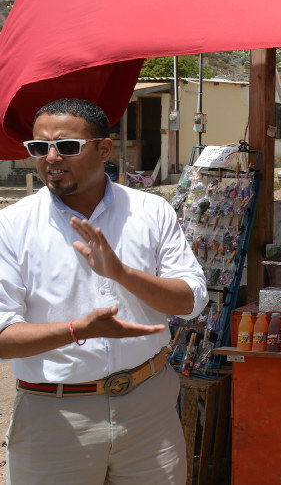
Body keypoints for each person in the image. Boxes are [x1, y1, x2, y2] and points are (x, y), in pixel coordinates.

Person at [0, 98, 209, 484]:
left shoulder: (150, 211)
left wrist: (123, 273)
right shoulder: (11, 227)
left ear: (104, 148)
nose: (50, 158)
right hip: (55, 417)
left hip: (148, 407)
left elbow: (191, 301)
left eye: (66, 146)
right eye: (38, 147)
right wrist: (77, 330)